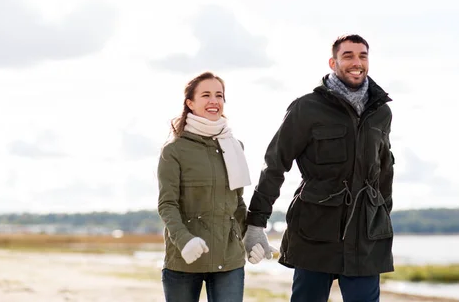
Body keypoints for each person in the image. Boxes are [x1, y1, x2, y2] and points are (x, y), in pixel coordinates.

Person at [243, 34, 396, 302]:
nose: (356, 62)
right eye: (348, 55)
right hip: (314, 231)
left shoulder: (381, 112)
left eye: (362, 55)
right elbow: (275, 164)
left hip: (365, 237)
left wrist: (381, 217)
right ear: (333, 62)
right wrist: (256, 222)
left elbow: (384, 170)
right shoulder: (307, 108)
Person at [157, 71, 252, 302]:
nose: (214, 101)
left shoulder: (234, 145)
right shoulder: (174, 150)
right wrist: (184, 240)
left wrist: (252, 235)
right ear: (190, 103)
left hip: (229, 259)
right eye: (206, 95)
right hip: (184, 259)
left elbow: (236, 202)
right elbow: (167, 205)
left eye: (219, 95)